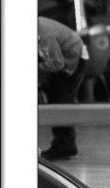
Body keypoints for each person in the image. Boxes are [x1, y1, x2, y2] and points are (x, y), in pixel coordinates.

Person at [38, 16, 89, 160]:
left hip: (73, 60)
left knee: (62, 102)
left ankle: (65, 147)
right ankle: (63, 145)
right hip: (65, 58)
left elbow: (57, 64)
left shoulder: (46, 36)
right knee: (57, 102)